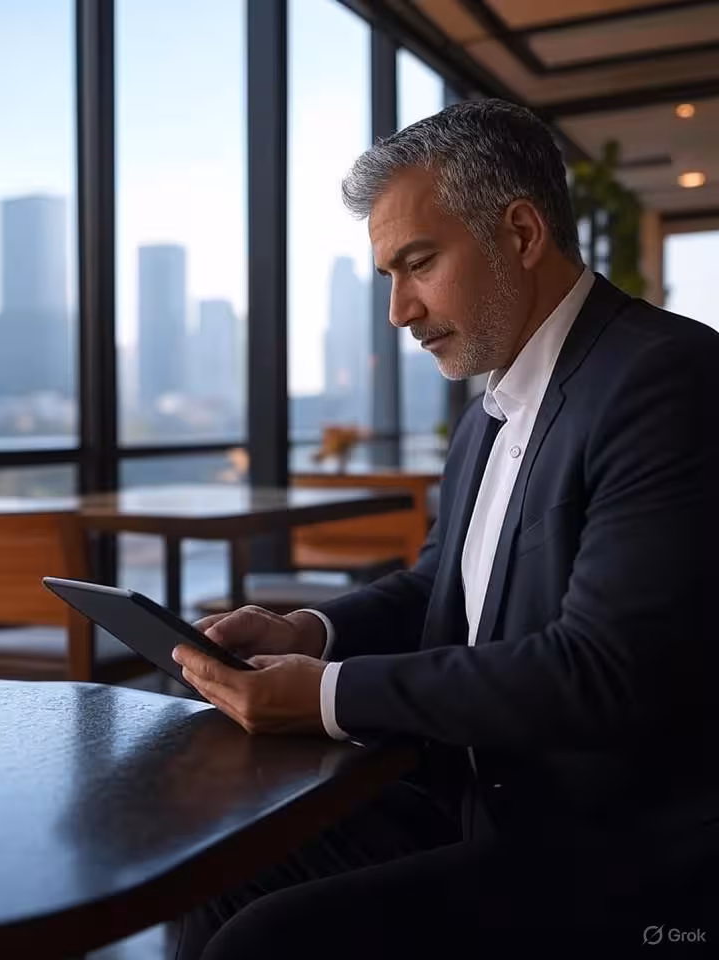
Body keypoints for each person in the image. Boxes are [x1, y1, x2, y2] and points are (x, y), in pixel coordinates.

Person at [172, 100, 719, 958]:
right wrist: (307, 629)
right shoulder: (491, 412)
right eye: (389, 274)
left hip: (615, 856)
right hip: (473, 799)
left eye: (418, 264)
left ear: (523, 232)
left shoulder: (667, 381)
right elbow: (438, 586)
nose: (398, 311)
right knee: (215, 865)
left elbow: (604, 671)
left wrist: (322, 693)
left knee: (267, 941)